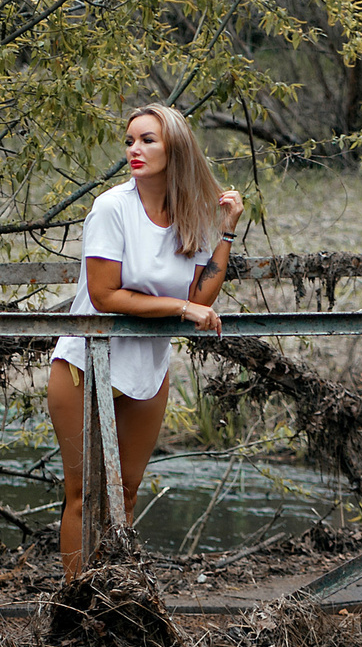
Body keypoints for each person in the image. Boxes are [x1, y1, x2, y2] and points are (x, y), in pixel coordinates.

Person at [47, 104, 244, 578]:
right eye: (130, 140)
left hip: (148, 370)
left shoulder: (190, 216)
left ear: (175, 146)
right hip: (84, 365)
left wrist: (227, 230)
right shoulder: (112, 207)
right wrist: (181, 309)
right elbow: (105, 294)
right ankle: (77, 606)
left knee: (127, 493)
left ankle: (117, 597)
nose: (134, 150)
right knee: (83, 494)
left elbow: (200, 295)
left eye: (147, 140)